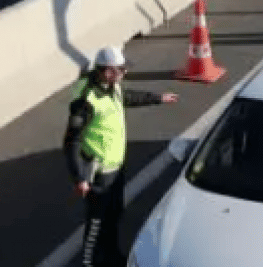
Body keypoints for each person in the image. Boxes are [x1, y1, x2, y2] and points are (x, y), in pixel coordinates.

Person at [63, 45, 179, 267]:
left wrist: (157, 98)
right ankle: (90, 262)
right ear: (107, 71)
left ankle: (111, 256)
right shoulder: (86, 101)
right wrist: (79, 177)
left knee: (114, 214)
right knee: (97, 223)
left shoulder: (112, 86)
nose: (125, 73)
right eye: (121, 69)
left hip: (115, 167)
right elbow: (72, 141)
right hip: (99, 174)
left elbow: (126, 97)